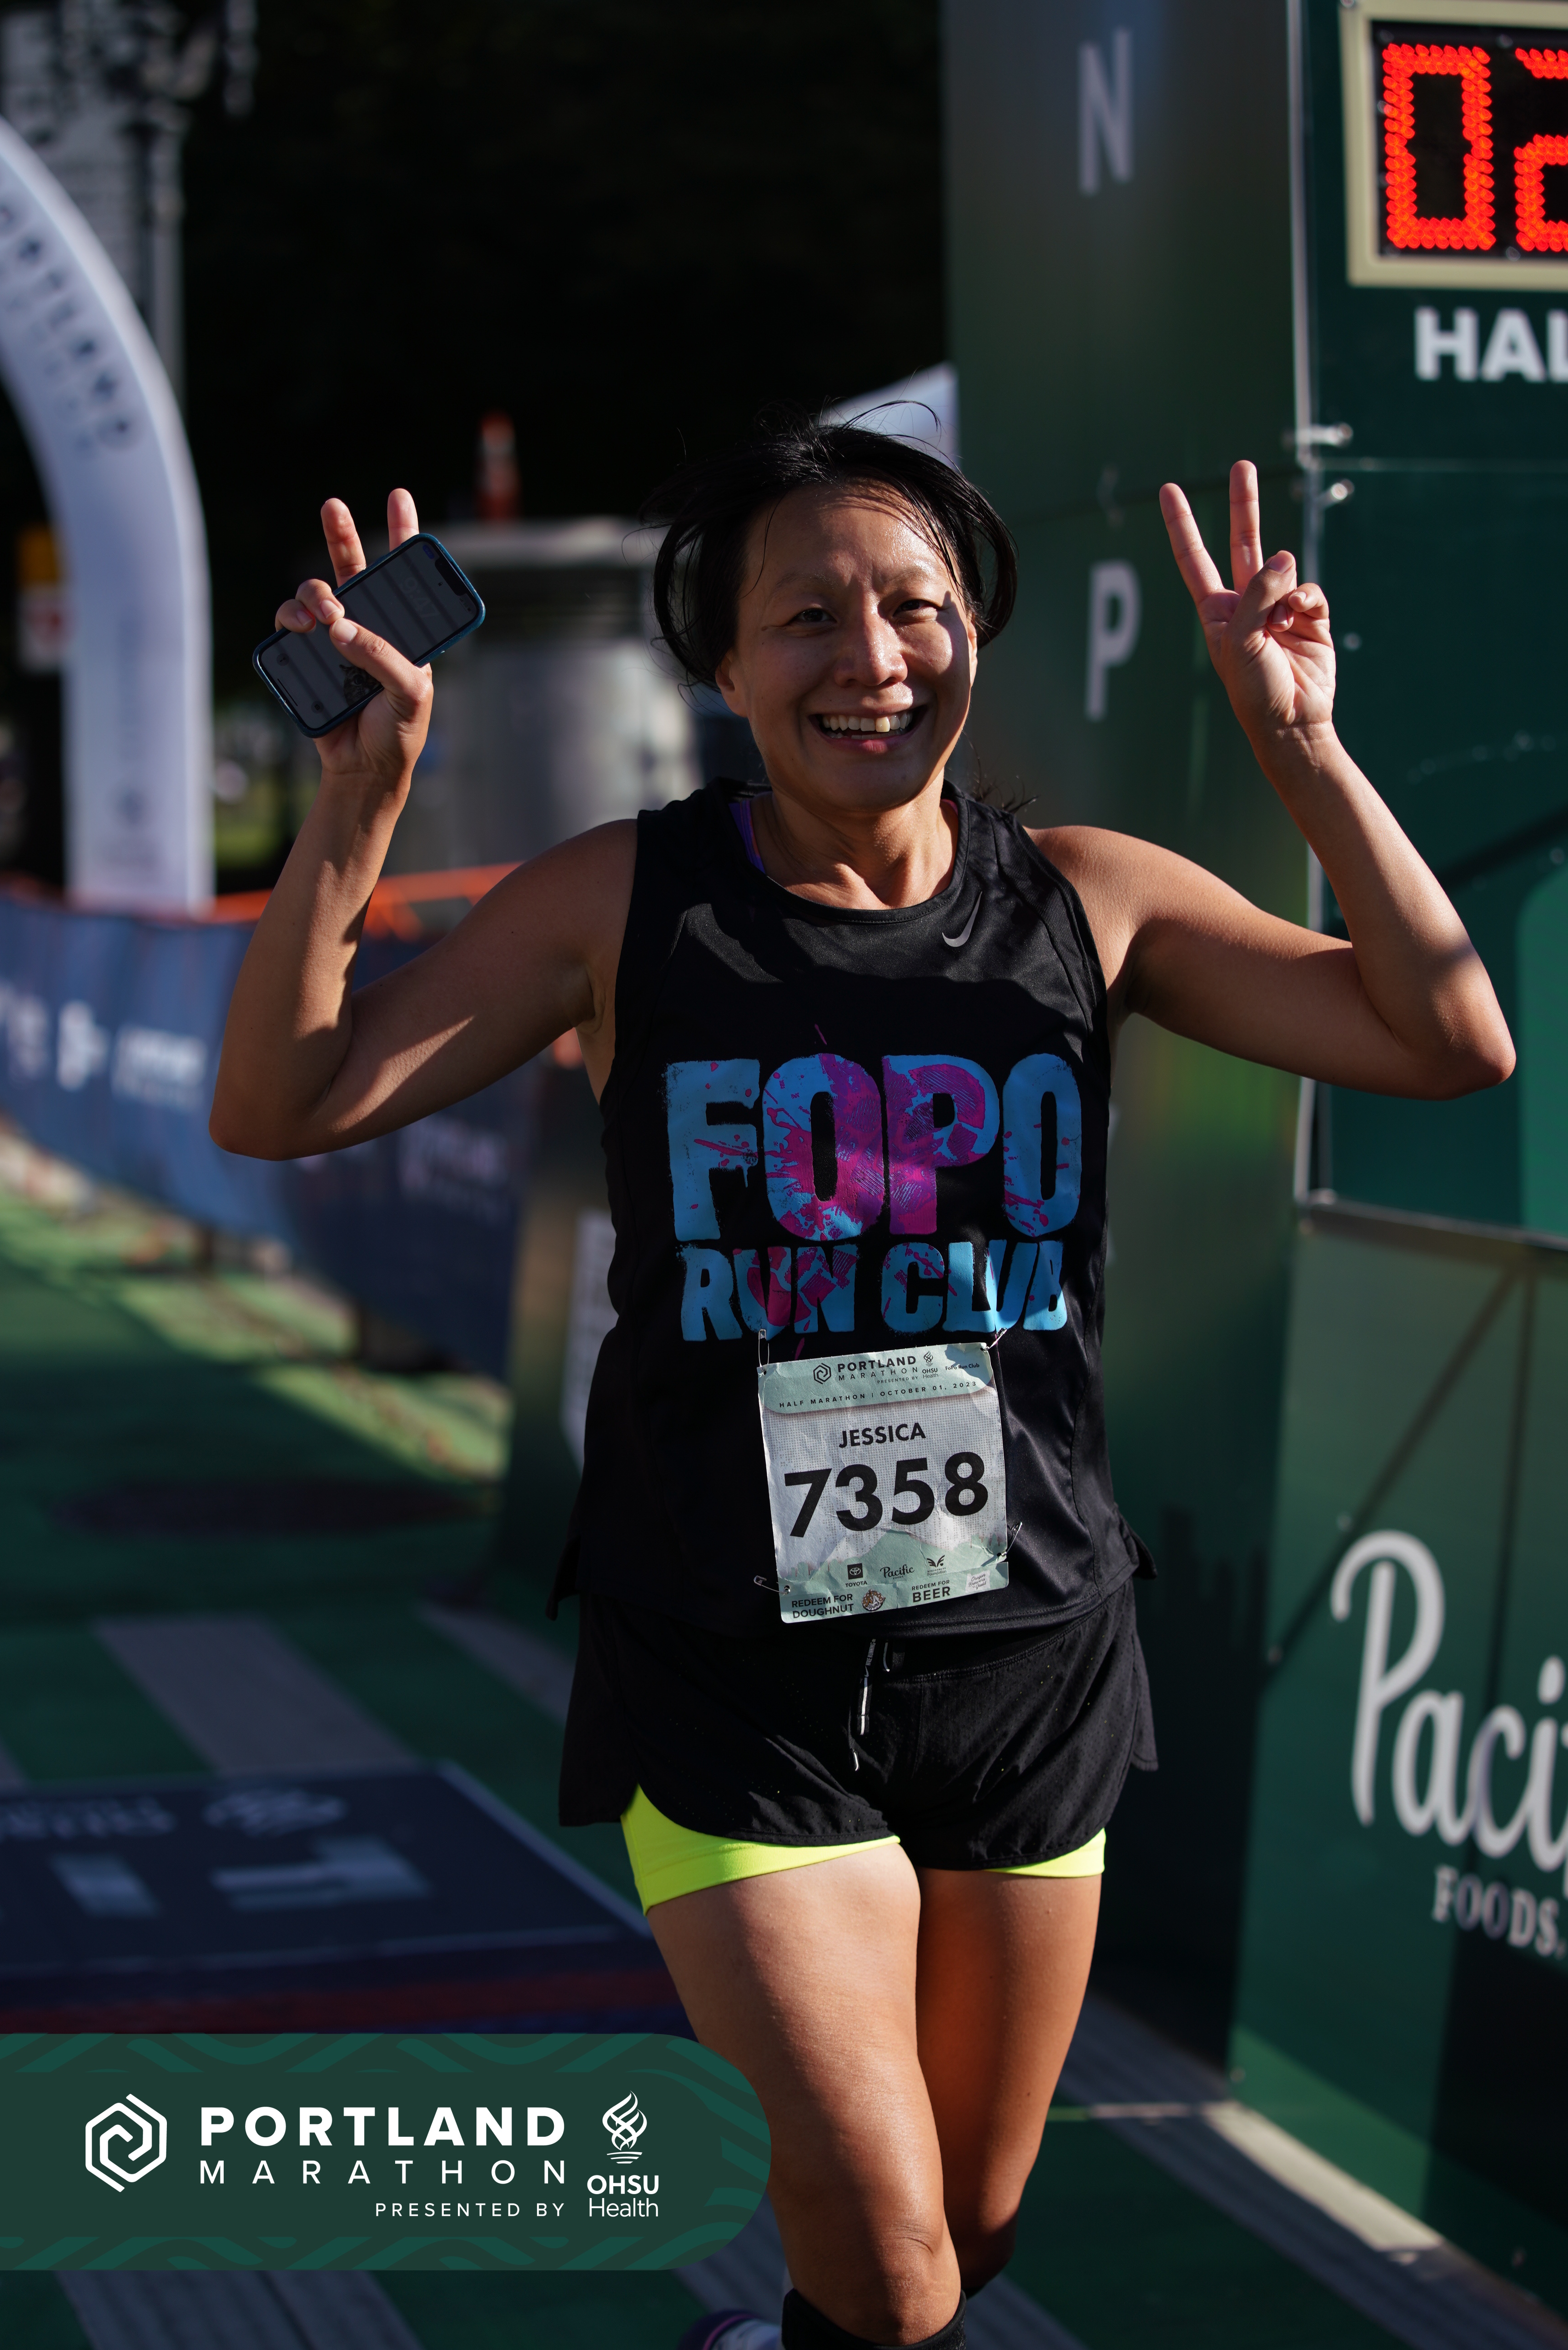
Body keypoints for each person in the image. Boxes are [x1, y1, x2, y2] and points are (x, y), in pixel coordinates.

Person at [212, 423, 1513, 2350]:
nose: (871, 657)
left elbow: (1451, 1035)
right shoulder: (620, 903)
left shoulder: (1091, 899)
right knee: (893, 2263)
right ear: (725, 666)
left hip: (1027, 1662)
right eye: (806, 616)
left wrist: (1301, 748)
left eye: (915, 607)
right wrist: (359, 800)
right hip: (728, 1670)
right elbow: (283, 1103)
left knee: (961, 2236)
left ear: (975, 635)